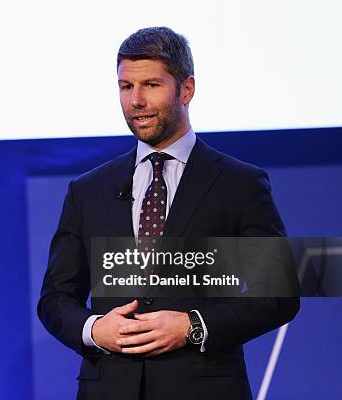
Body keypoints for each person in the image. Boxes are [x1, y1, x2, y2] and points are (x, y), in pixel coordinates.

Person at [37, 27, 299, 399]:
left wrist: (193, 325)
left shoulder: (239, 184)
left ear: (186, 89)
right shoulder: (87, 190)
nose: (136, 101)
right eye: (126, 87)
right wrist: (94, 329)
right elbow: (55, 299)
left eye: (151, 85)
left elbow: (278, 295)